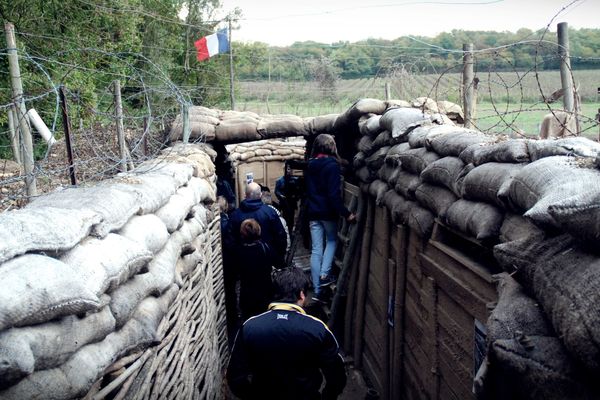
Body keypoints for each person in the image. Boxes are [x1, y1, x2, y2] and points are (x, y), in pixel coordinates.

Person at [227, 267, 347, 400]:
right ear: (302, 294)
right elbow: (337, 376)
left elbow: (235, 377)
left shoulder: (250, 327)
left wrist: (252, 396)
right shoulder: (317, 329)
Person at [306, 134, 355, 303]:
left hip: (313, 212)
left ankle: (318, 290)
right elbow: (333, 195)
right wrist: (346, 213)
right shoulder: (332, 166)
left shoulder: (311, 164)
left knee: (316, 249)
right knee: (332, 241)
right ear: (331, 147)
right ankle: (325, 275)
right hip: (327, 213)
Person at [229, 182, 288, 268]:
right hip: (268, 261)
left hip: (244, 263)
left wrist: (237, 261)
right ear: (260, 195)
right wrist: (278, 258)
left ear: (245, 195)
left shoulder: (235, 216)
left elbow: (230, 242)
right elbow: (280, 236)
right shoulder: (270, 212)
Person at [236, 219, 275, 321]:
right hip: (265, 291)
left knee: (249, 320)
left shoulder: (239, 251)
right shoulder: (265, 247)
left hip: (247, 294)